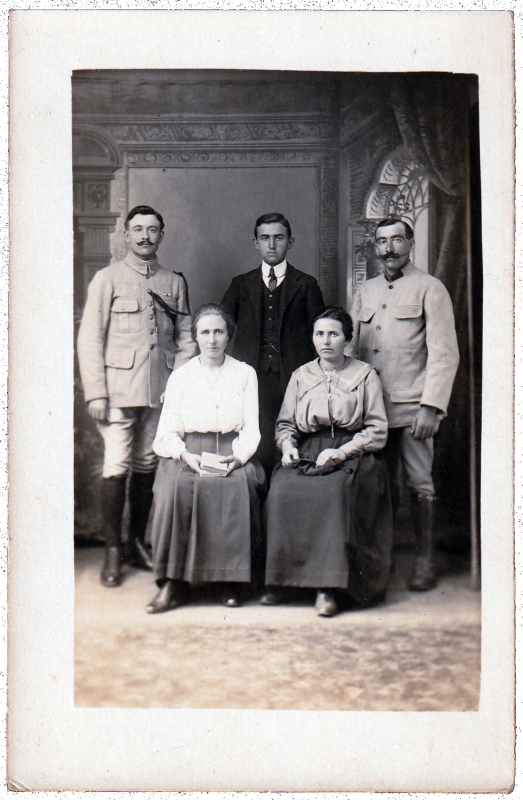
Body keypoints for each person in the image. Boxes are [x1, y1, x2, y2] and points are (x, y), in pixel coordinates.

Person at [77, 205, 196, 588]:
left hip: (159, 391)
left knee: (146, 465)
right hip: (116, 392)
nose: (145, 236)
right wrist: (95, 391)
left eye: (153, 230)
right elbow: (89, 339)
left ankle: (136, 542)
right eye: (138, 230)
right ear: (125, 236)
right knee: (116, 464)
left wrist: (177, 384)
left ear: (162, 236)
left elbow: (186, 339)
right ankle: (113, 548)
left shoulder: (174, 282)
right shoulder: (107, 279)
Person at [263, 307, 393, 617]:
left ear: (348, 339)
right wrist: (288, 447)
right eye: (319, 334)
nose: (326, 341)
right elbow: (285, 425)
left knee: (333, 493)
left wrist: (342, 452)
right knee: (281, 490)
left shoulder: (364, 375)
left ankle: (328, 588)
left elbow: (376, 430)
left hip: (351, 452)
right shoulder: (301, 375)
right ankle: (281, 583)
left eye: (334, 334)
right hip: (307, 450)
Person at [352, 217, 459, 591]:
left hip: (413, 406)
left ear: (410, 243)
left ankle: (424, 562)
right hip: (371, 409)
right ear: (375, 246)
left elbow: (445, 354)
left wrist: (432, 406)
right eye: (382, 241)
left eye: (397, 240)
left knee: (419, 484)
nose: (390, 248)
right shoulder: (365, 291)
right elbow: (353, 349)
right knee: (377, 485)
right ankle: (381, 560)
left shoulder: (430, 289)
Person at [146, 304, 266, 613]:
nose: (212, 340)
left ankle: (231, 581)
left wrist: (238, 459)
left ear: (229, 336)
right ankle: (173, 582)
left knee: (238, 488)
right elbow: (166, 433)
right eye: (205, 332)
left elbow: (251, 430)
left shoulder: (244, 374)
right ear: (195, 336)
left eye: (218, 332)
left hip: (230, 451)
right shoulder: (181, 376)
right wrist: (186, 454)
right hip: (189, 450)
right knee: (175, 490)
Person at [221, 212, 325, 479]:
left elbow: (321, 335)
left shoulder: (307, 285)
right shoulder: (241, 284)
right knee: (259, 441)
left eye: (278, 238)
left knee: (294, 439)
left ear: (290, 242)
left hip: (294, 377)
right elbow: (220, 329)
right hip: (251, 378)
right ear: (255, 242)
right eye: (264, 238)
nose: (271, 245)